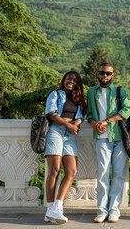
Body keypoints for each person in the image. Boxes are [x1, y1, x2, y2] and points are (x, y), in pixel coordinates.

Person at [87, 62, 130, 223]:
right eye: (101, 73)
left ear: (112, 75)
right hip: (101, 138)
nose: (104, 76)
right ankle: (102, 210)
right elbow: (90, 114)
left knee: (119, 175)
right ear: (98, 74)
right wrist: (94, 124)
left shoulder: (121, 91)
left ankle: (114, 210)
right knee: (103, 175)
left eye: (108, 73)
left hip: (119, 137)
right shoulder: (91, 92)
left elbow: (127, 111)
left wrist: (106, 121)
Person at [44, 70, 87, 224]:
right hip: (56, 130)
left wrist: (77, 123)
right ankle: (49, 209)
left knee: (72, 171)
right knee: (54, 170)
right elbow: (51, 113)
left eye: (75, 80)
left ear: (78, 83)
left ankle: (57, 207)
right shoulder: (55, 94)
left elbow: (81, 116)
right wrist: (69, 125)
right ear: (64, 80)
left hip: (70, 135)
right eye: (69, 79)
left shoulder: (78, 98)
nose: (71, 82)